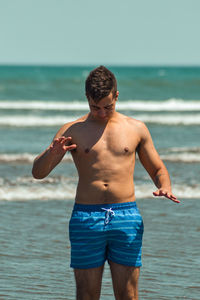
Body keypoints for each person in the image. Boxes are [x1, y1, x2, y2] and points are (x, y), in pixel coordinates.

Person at [32, 66, 180, 300]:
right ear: (87, 98)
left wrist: (165, 185)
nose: (101, 113)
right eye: (95, 107)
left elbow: (158, 168)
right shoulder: (73, 130)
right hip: (86, 218)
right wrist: (52, 154)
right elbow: (38, 173)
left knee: (128, 295)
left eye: (107, 107)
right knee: (87, 295)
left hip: (126, 216)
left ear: (117, 96)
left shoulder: (136, 128)